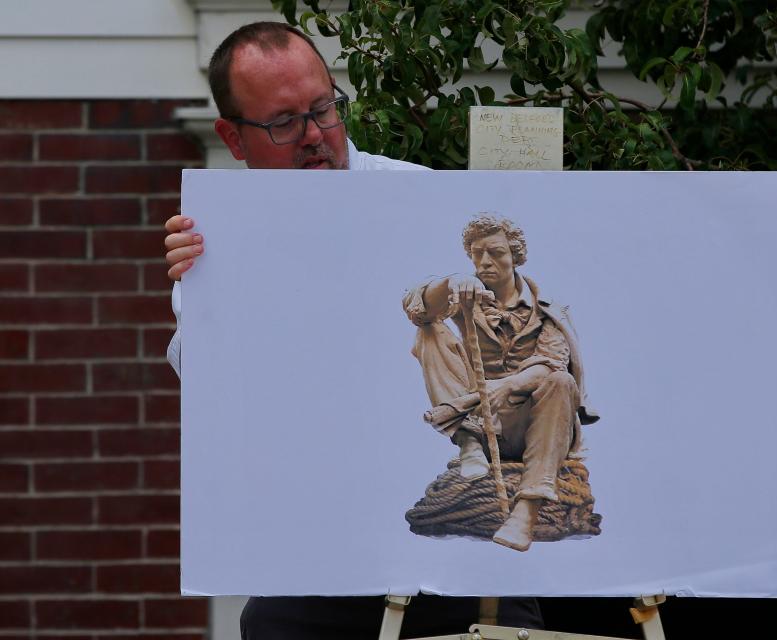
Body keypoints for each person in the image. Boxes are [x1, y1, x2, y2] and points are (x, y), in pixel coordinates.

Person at [163, 21, 543, 640]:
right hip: (313, 562)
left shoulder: (424, 201)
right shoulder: (219, 244)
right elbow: (220, 402)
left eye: (323, 109)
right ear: (233, 138)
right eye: (284, 122)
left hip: (465, 561)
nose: (315, 136)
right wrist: (206, 296)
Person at [403, 215, 598, 551]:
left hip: (535, 426)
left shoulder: (548, 309)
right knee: (428, 332)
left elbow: (551, 363)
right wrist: (450, 283)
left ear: (515, 254)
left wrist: (503, 386)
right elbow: (415, 307)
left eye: (495, 252)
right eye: (476, 254)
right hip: (480, 422)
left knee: (561, 381)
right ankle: (469, 443)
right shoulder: (462, 296)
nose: (484, 262)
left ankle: (527, 509)